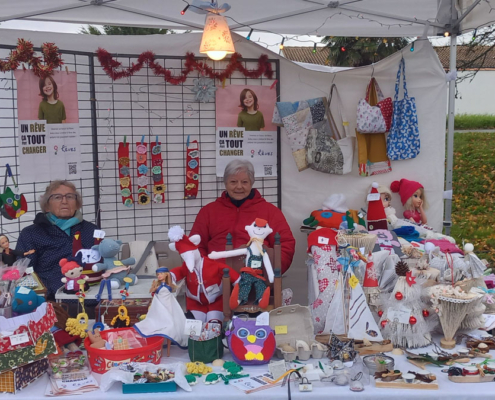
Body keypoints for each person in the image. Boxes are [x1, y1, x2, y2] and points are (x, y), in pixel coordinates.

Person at [190, 159, 295, 274]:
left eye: (244, 182)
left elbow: (285, 245)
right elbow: (194, 245)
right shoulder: (208, 212)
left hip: (257, 277)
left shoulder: (270, 211)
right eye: (233, 182)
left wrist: (271, 271)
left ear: (251, 183)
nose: (239, 187)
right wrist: (205, 270)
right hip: (216, 278)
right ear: (225, 183)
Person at [16, 180, 98, 300]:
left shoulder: (91, 231)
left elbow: (103, 263)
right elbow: (26, 272)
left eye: (70, 197)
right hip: (52, 300)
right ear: (47, 206)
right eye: (57, 197)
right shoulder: (31, 233)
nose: (64, 201)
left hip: (91, 294)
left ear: (77, 204)